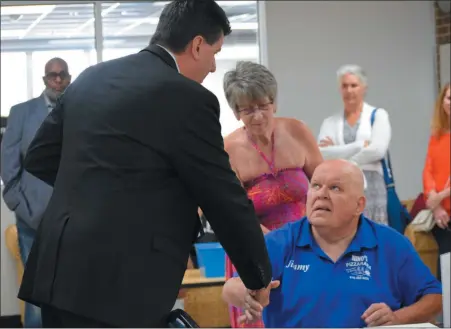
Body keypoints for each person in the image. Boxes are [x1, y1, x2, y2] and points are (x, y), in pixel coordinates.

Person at [17, 1, 272, 327]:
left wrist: (100, 196)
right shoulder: (189, 98)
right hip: (123, 282)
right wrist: (258, 277)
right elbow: (223, 198)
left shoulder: (92, 77)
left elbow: (40, 156)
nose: (211, 67)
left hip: (58, 273)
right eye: (215, 53)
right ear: (196, 45)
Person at [222, 159, 443, 328]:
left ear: (359, 205)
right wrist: (248, 295)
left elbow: (435, 298)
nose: (321, 195)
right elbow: (231, 287)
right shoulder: (281, 242)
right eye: (316, 186)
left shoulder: (391, 245)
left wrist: (397, 318)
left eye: (335, 188)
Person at [222, 61, 323, 328]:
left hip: (306, 246)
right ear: (235, 112)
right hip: (256, 250)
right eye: (247, 109)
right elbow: (231, 213)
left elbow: (323, 187)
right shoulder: (228, 150)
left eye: (263, 106)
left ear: (274, 103)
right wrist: (277, 242)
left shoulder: (298, 131)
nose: (257, 116)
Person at [1, 57, 71, 328]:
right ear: (44, 79)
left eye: (61, 74)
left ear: (68, 77)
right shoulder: (22, 113)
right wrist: (20, 204)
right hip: (33, 218)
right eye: (51, 75)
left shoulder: (81, 110)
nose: (57, 79)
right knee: (38, 294)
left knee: (72, 291)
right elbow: (9, 167)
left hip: (74, 217)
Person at [317, 64, 392, 225]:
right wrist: (359, 146)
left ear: (364, 88)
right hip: (340, 187)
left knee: (374, 236)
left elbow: (378, 150)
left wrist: (339, 154)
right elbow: (322, 154)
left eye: (354, 85)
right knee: (345, 233)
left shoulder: (378, 116)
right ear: (339, 89)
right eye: (345, 86)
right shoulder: (330, 122)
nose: (349, 90)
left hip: (373, 188)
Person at [423, 82, 450, 282]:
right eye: (449, 98)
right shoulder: (437, 136)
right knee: (445, 269)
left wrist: (440, 197)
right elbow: (428, 171)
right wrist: (436, 205)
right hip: (442, 216)